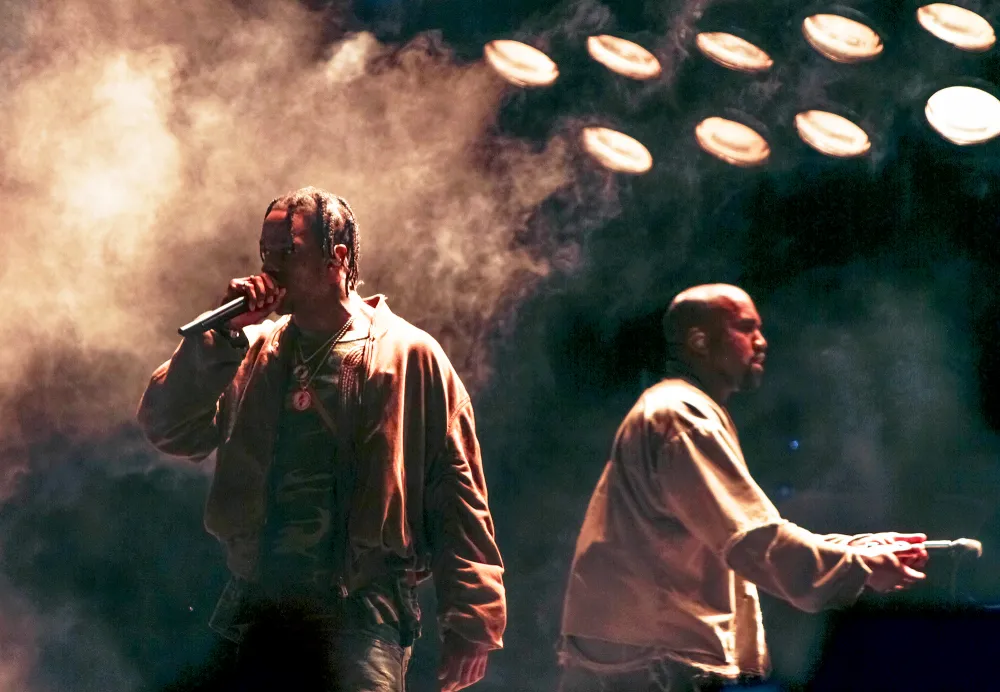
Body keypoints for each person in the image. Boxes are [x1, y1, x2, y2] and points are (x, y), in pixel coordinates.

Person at [137, 187, 505, 692]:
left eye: (289, 252)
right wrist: (217, 339)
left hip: (364, 611)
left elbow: (458, 487)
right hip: (264, 605)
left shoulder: (410, 355)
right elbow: (169, 429)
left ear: (337, 258)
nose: (272, 267)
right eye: (267, 253)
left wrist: (474, 615)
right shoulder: (249, 349)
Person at [557, 283, 927, 692]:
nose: (761, 342)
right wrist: (861, 567)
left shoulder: (680, 409)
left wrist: (855, 549)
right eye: (746, 328)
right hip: (650, 659)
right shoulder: (682, 416)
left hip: (638, 652)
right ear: (699, 340)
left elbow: (742, 533)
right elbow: (753, 541)